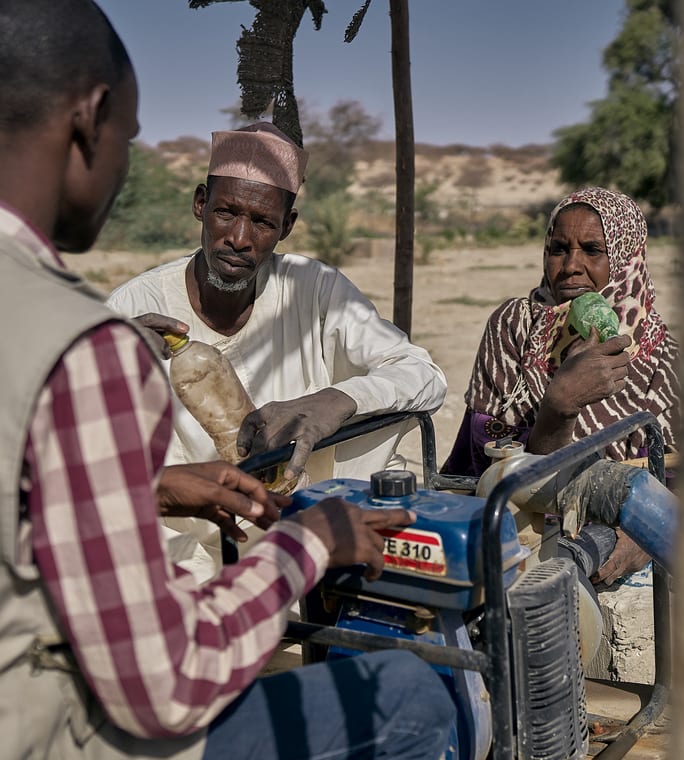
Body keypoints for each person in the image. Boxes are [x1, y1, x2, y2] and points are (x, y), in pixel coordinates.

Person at [0, 2, 453, 760]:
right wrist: (311, 543)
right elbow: (166, 682)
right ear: (91, 119)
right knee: (407, 705)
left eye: (262, 220)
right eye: (128, 136)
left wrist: (154, 484)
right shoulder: (85, 344)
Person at [107, 122, 447, 580]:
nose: (240, 238)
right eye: (226, 212)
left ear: (287, 226)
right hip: (187, 559)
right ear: (200, 204)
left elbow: (424, 376)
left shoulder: (315, 289)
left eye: (263, 222)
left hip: (311, 536)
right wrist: (110, 362)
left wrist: (335, 401)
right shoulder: (135, 306)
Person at [442, 186, 680, 585]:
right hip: (520, 523)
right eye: (558, 248)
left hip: (618, 530)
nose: (571, 265)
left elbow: (679, 480)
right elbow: (494, 472)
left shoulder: (661, 355)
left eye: (592, 250)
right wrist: (560, 405)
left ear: (627, 259)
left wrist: (644, 537)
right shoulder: (514, 327)